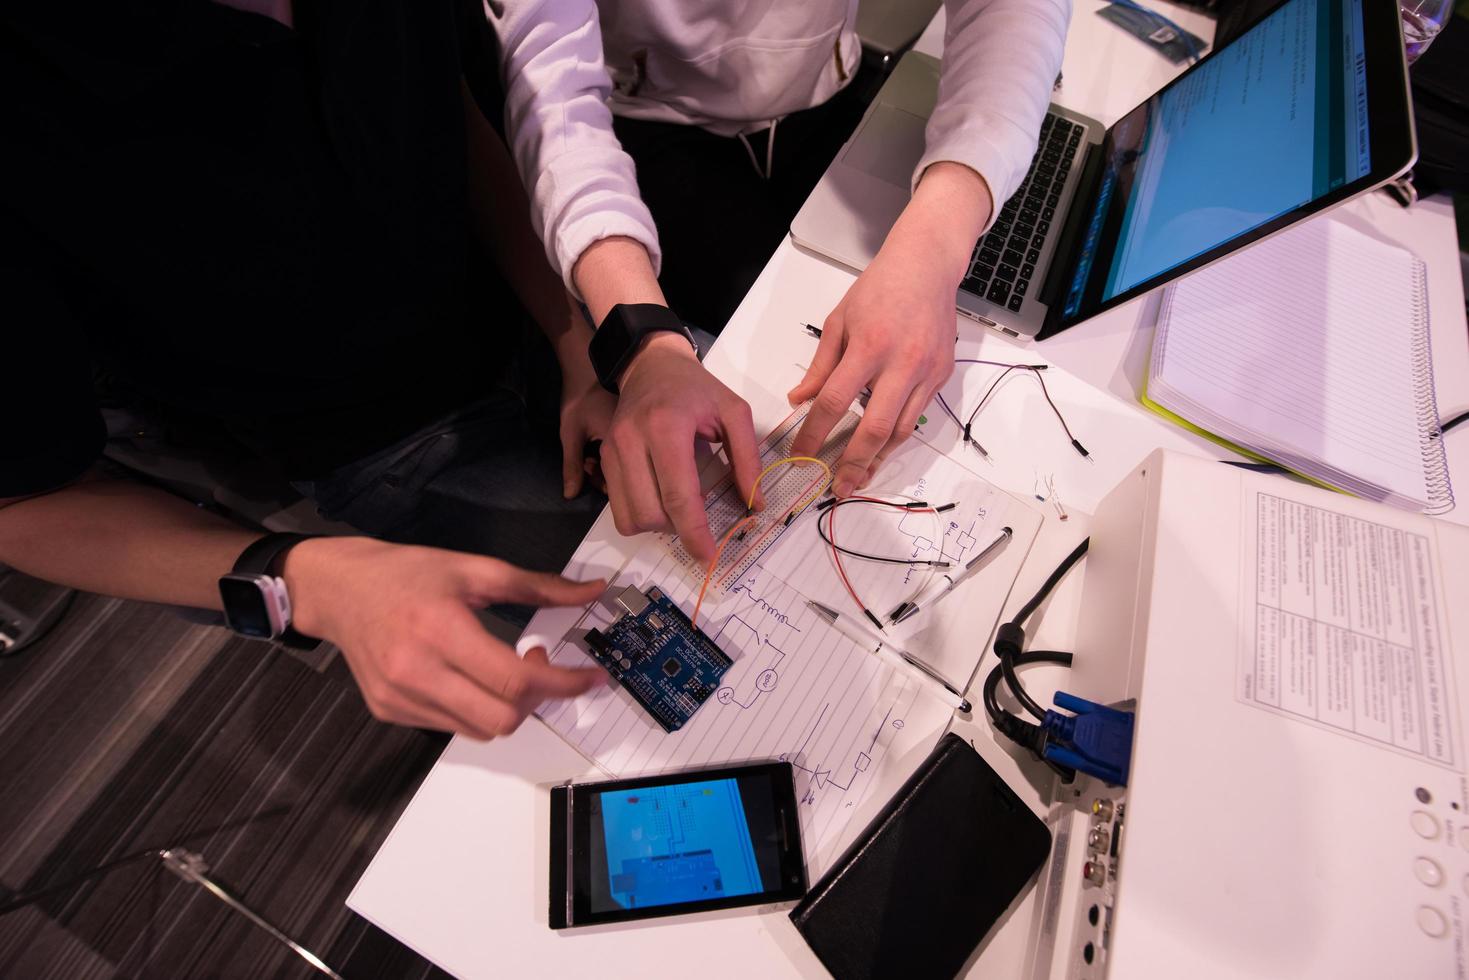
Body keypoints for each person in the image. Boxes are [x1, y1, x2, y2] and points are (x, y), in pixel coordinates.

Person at [0, 0, 758, 739]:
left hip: (538, 299)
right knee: (718, 673)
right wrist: (306, 582)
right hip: (378, 437)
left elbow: (434, 112)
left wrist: (577, 343)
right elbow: (25, 501)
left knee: (771, 524)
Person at [489, 0, 1069, 527]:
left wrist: (939, 238)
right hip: (645, 131)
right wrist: (643, 342)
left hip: (827, 96)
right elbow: (551, 96)